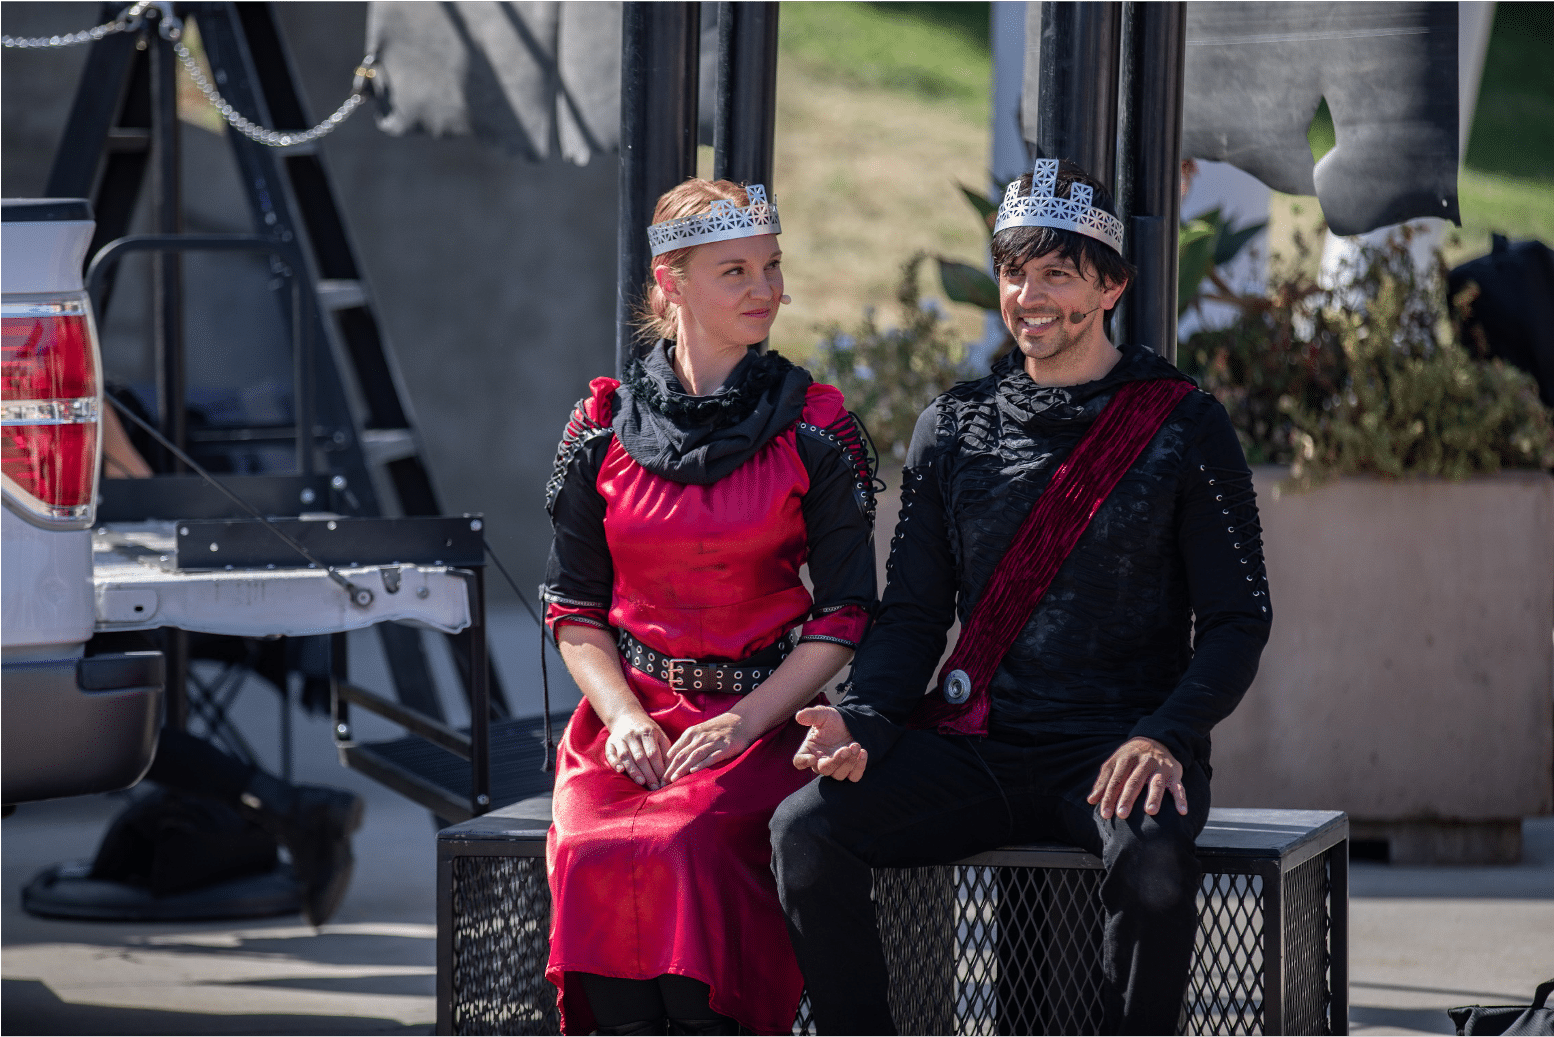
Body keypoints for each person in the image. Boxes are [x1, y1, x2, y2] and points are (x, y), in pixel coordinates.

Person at [770, 159, 1272, 1036]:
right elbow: (917, 614)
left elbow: (1238, 620)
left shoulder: (1187, 423)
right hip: (980, 746)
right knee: (805, 831)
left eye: (1057, 273)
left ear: (1111, 284)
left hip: (1121, 747)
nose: (1028, 294)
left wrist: (1167, 733)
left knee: (1153, 869)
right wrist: (864, 719)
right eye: (1013, 271)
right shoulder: (953, 427)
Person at [541, 179, 877, 1036]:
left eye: (771, 266)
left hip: (760, 723)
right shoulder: (599, 429)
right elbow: (574, 605)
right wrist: (619, 715)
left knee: (684, 850)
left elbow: (843, 614)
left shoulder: (817, 431)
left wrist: (743, 722)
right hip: (628, 724)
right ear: (671, 282)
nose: (766, 290)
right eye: (736, 271)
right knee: (591, 850)